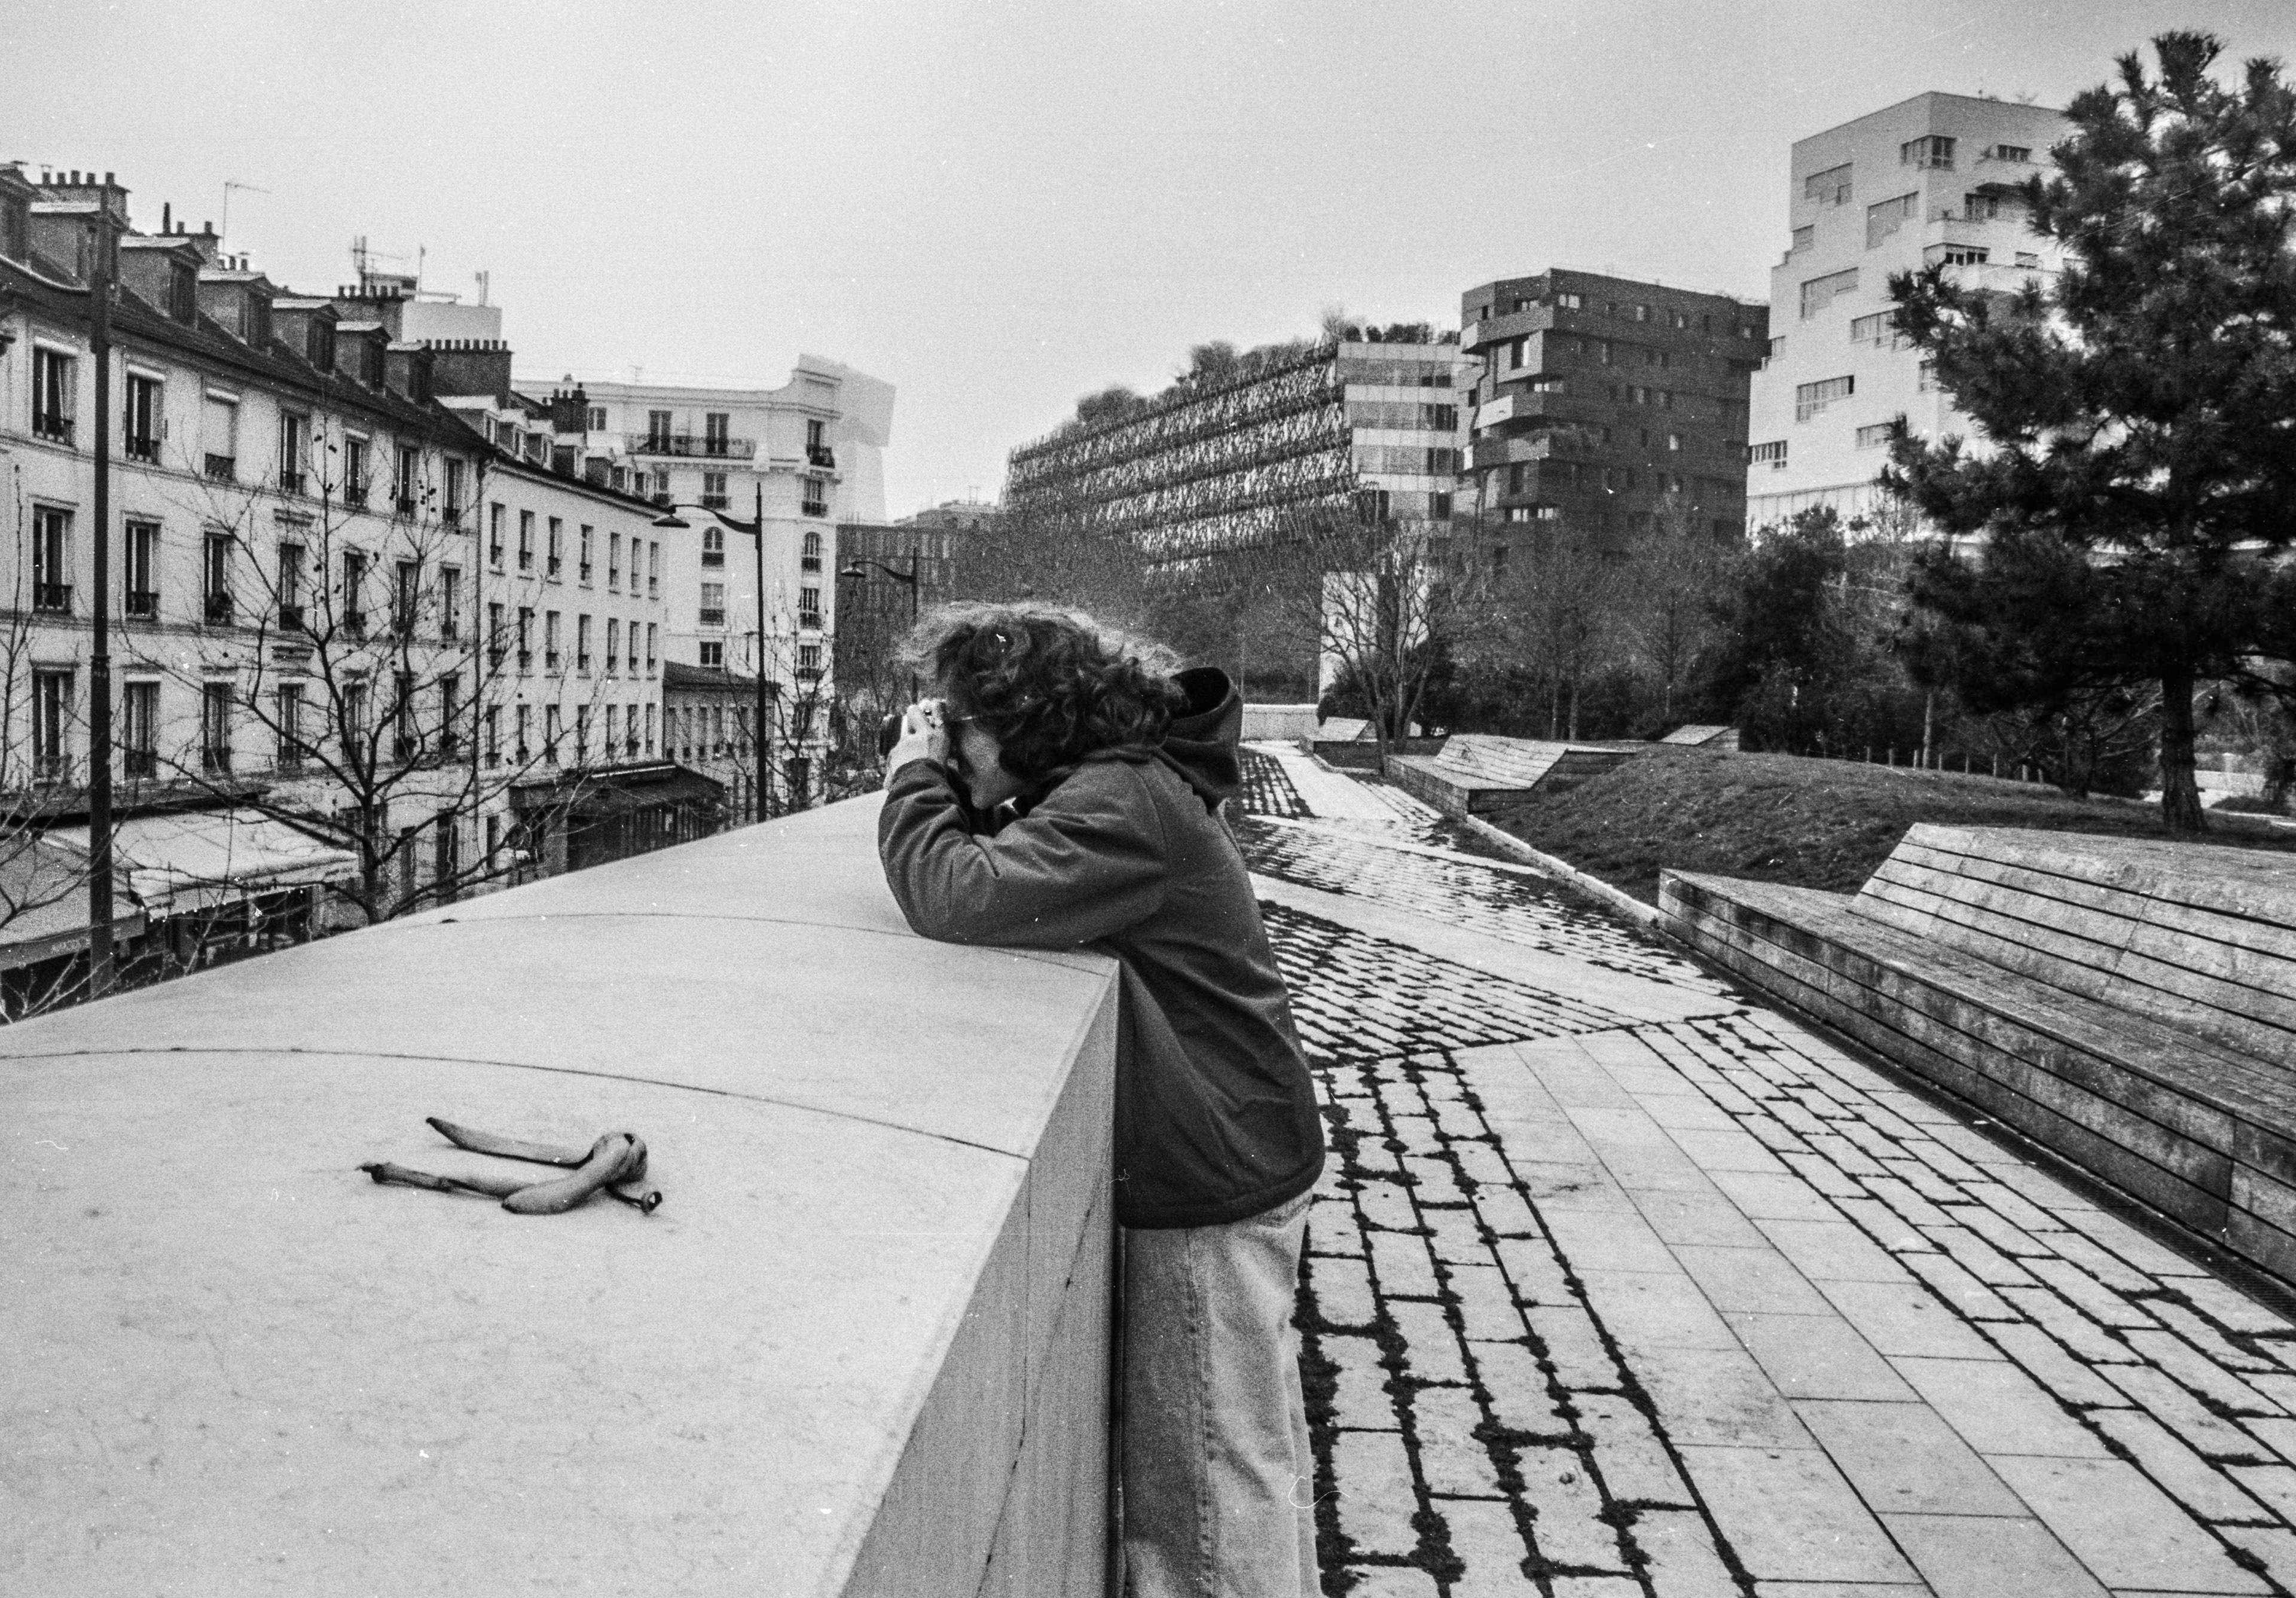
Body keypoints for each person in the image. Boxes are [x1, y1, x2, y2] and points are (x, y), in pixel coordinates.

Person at [877, 602, 1325, 1598]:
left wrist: (914, 781)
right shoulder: (1122, 785)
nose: (949, 740)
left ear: (1016, 724)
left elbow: (955, 893)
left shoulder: (1121, 803)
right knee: (1248, 1456)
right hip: (1238, 1146)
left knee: (1204, 1496)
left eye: (958, 723)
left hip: (1210, 1175)